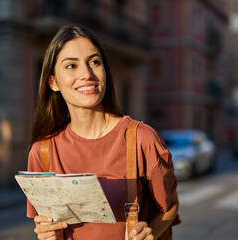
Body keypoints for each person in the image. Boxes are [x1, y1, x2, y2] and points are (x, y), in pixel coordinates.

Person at [26, 24, 179, 240]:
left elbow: (171, 206)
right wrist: (45, 233)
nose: (87, 74)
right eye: (71, 66)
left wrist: (150, 232)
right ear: (53, 82)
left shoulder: (141, 139)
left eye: (94, 62)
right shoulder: (41, 152)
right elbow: (44, 222)